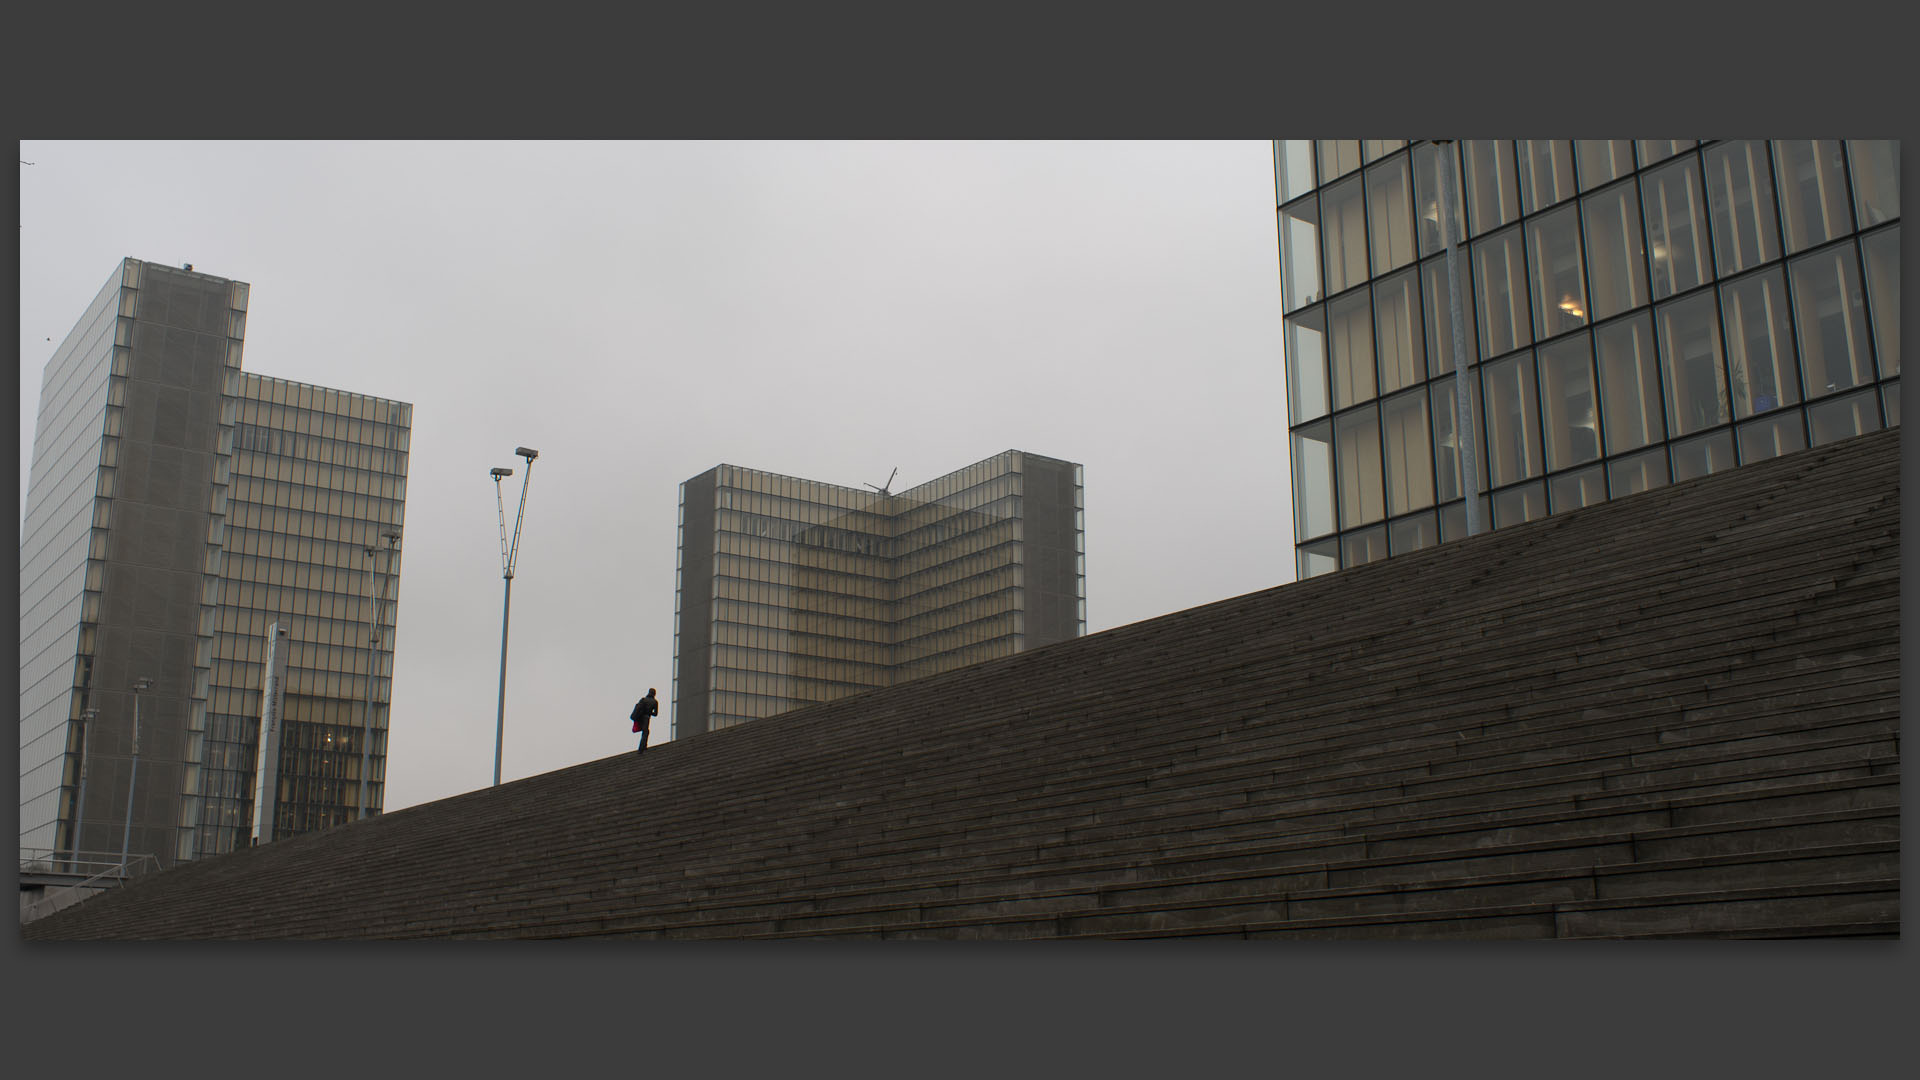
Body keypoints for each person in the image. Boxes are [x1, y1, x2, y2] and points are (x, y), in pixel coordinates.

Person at [630, 688, 659, 755]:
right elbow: (656, 714)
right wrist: (649, 712)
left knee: (645, 731)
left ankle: (643, 746)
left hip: (640, 717)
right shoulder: (655, 702)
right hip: (646, 718)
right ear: (654, 694)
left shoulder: (643, 699)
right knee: (645, 732)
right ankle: (641, 748)